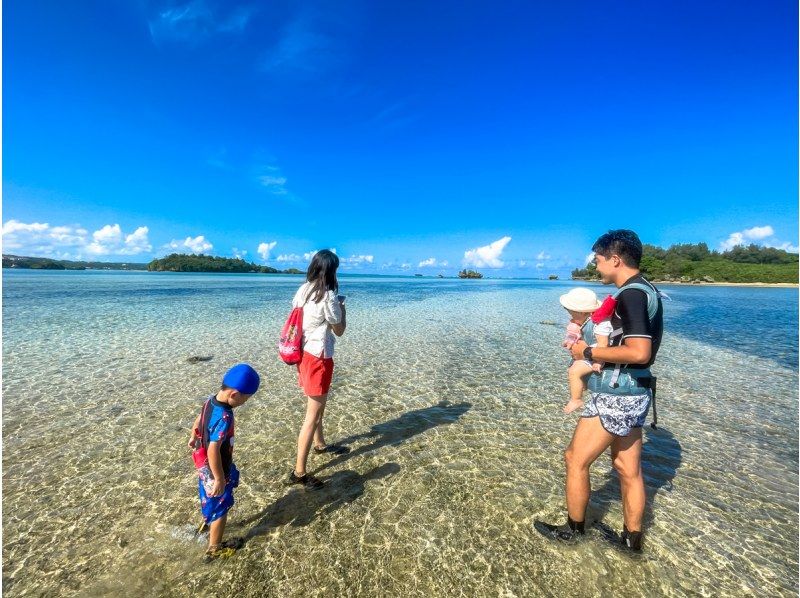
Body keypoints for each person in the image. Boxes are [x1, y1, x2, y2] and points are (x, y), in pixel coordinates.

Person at [535, 230, 663, 552]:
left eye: (599, 260)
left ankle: (573, 531)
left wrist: (587, 354)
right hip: (636, 392)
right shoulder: (647, 290)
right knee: (626, 469)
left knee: (574, 459)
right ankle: (631, 542)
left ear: (615, 260)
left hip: (617, 395)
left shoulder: (631, 295)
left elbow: (638, 352)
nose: (596, 267)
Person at [289, 249, 348, 490]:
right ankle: (299, 472)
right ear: (332, 271)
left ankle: (320, 444)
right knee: (312, 415)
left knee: (317, 405)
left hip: (303, 355)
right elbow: (339, 330)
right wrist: (343, 308)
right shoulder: (329, 296)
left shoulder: (303, 290)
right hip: (319, 357)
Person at [188, 363, 260, 561]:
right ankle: (214, 548)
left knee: (209, 495)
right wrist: (219, 478)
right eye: (245, 399)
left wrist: (194, 436)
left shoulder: (210, 401)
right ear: (234, 395)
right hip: (215, 468)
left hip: (203, 465)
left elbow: (199, 418)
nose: (244, 402)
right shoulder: (225, 416)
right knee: (221, 506)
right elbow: (214, 450)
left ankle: (206, 523)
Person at [559, 287, 613, 414]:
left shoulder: (600, 324)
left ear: (582, 312)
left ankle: (576, 399)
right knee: (572, 368)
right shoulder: (586, 319)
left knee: (574, 371)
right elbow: (579, 336)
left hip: (597, 355)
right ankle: (582, 386)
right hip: (591, 354)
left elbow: (603, 344)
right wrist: (570, 341)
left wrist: (599, 361)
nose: (570, 317)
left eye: (572, 313)